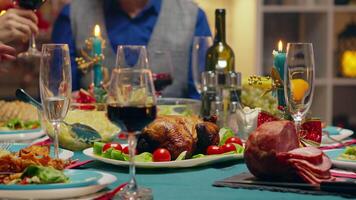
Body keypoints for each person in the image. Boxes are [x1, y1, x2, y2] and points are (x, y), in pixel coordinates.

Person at [52, 0, 211, 98]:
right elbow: (57, 94)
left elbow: (201, 98)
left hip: (171, 145)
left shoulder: (194, 17)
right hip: (92, 146)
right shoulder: (71, 16)